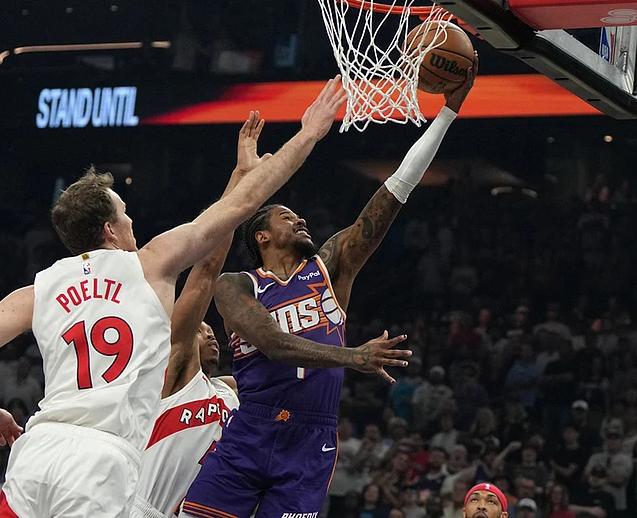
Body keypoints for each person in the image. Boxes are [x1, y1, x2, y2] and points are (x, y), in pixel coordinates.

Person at [0, 76, 349, 518]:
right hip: (99, 463)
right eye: (126, 216)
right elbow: (239, 210)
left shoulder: (37, 289)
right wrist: (308, 134)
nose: (132, 223)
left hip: (35, 454)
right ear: (110, 229)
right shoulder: (150, 264)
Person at [181, 57, 479, 518]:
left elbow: (394, 192)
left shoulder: (329, 266)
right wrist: (352, 357)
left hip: (310, 438)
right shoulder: (236, 285)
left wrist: (448, 114)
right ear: (261, 235)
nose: (300, 219)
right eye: (287, 217)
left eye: (300, 216)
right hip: (249, 432)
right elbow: (271, 343)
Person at [133, 114, 266, 518]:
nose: (209, 334)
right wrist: (241, 177)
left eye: (211, 329)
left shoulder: (229, 392)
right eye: (200, 327)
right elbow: (207, 266)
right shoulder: (171, 375)